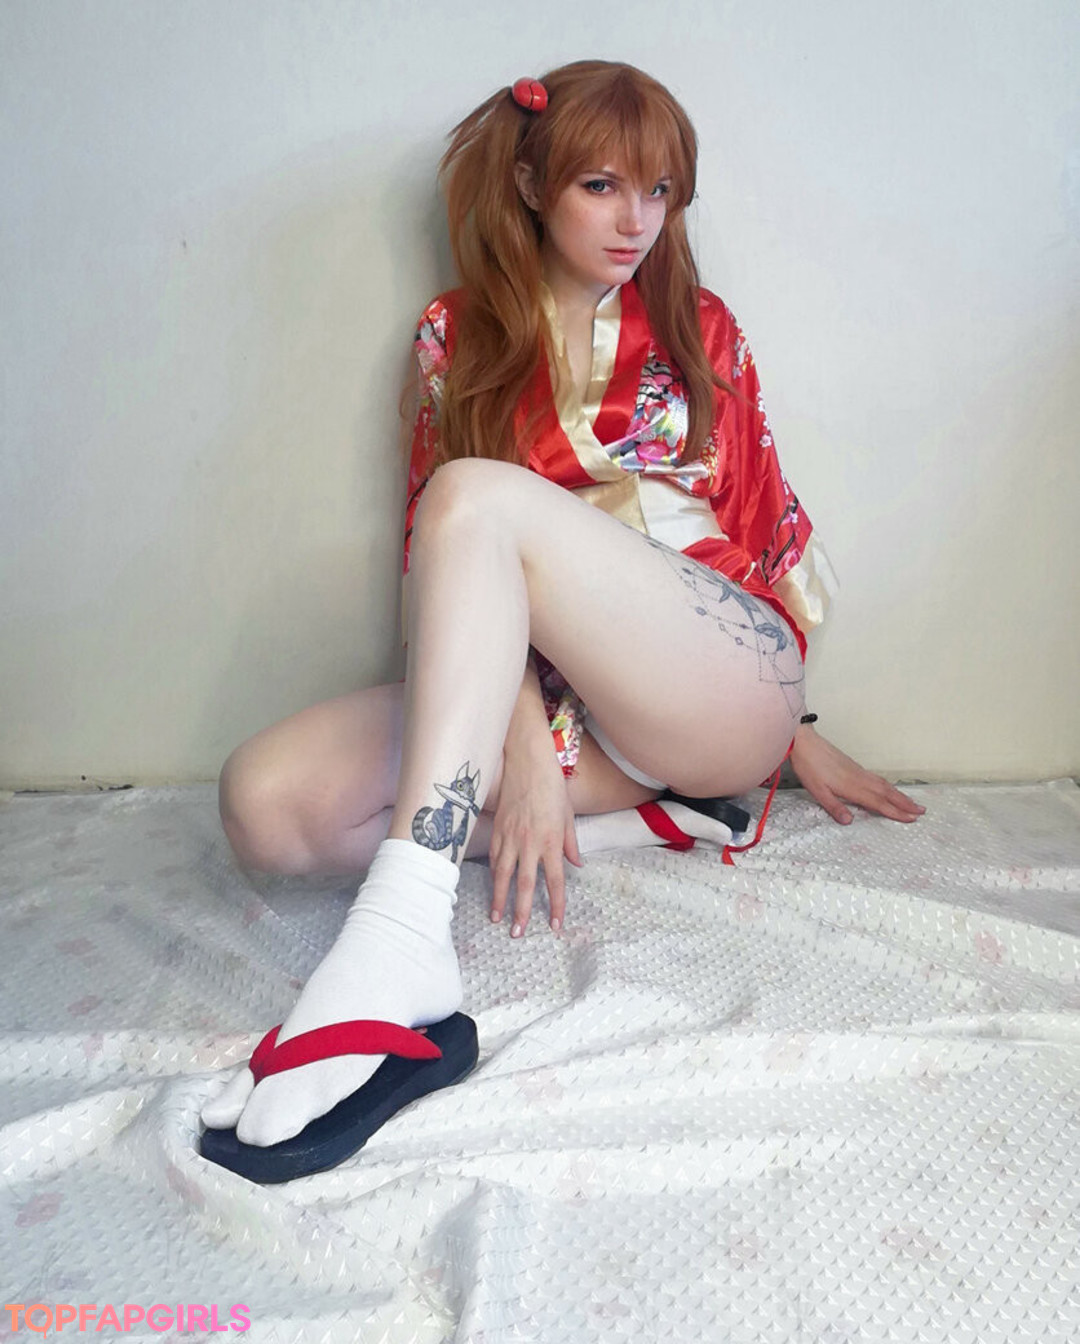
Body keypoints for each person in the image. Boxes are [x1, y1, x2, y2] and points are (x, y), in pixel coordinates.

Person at [200, 62, 925, 1160]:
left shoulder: (701, 326)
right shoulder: (456, 334)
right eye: (602, 186)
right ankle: (649, 821)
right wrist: (526, 755)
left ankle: (399, 939)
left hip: (717, 675)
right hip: (553, 697)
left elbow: (762, 520)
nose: (639, 221)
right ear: (533, 185)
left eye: (661, 191)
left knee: (472, 495)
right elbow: (444, 564)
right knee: (266, 804)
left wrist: (791, 730)